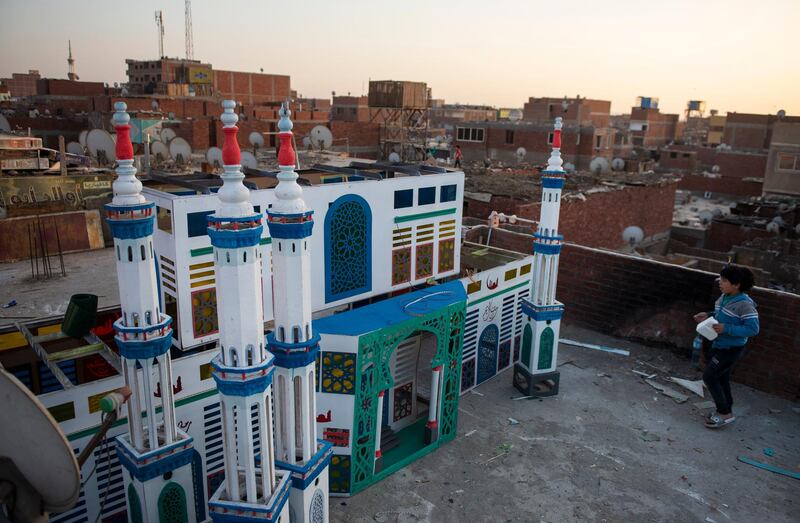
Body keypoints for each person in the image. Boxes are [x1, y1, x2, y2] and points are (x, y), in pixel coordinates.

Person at [693, 265, 759, 429]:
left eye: (724, 280)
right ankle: (726, 407)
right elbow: (720, 315)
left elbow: (753, 329)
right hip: (719, 344)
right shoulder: (724, 297)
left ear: (736, 284)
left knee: (709, 376)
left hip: (731, 349)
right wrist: (708, 315)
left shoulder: (745, 304)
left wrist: (727, 329)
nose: (720, 283)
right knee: (721, 377)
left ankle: (725, 413)